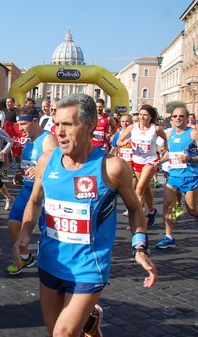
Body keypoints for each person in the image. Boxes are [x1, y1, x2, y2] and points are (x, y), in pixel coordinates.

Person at [13, 93, 157, 336]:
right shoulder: (47, 161)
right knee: (53, 329)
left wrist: (139, 247)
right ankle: (90, 322)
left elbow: (134, 208)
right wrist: (24, 233)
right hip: (51, 260)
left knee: (63, 334)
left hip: (89, 266)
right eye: (57, 124)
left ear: (90, 125)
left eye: (67, 124)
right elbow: (35, 200)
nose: (59, 132)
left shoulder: (112, 167)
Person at [6, 106, 57, 275]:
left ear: (35, 121)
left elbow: (56, 158)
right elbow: (29, 163)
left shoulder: (47, 138)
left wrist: (42, 169)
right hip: (27, 188)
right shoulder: (29, 140)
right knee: (13, 223)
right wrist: (21, 175)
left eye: (24, 125)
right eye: (19, 125)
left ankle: (53, 267)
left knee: (46, 233)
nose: (20, 129)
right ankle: (25, 256)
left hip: (43, 192)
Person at [156, 106, 198, 249]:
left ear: (186, 118)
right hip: (174, 176)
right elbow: (169, 152)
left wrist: (190, 159)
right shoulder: (169, 134)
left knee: (191, 209)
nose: (178, 119)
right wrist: (160, 161)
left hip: (191, 176)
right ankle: (169, 237)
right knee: (167, 205)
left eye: (181, 116)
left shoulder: (193, 134)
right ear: (171, 119)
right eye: (175, 116)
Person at [117, 105, 167, 227]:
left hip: (150, 162)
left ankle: (138, 221)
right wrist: (123, 142)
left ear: (150, 117)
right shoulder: (132, 127)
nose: (142, 117)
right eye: (140, 114)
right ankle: (152, 211)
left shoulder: (156, 129)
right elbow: (119, 141)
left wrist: (165, 150)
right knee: (146, 189)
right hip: (137, 161)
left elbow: (167, 140)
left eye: (145, 115)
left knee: (138, 190)